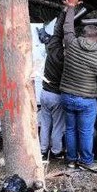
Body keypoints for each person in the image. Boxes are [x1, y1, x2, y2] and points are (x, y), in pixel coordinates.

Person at [60, 3, 97, 171]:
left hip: (67, 96)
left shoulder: (71, 43)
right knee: (85, 131)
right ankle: (86, 162)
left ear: (83, 34)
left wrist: (70, 8)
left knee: (70, 129)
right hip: (86, 100)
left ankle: (70, 160)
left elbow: (67, 27)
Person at [39, 11, 67, 160]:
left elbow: (57, 31)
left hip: (44, 93)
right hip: (57, 96)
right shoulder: (66, 62)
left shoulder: (52, 49)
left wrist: (63, 12)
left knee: (44, 123)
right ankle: (56, 151)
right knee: (57, 125)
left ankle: (42, 150)